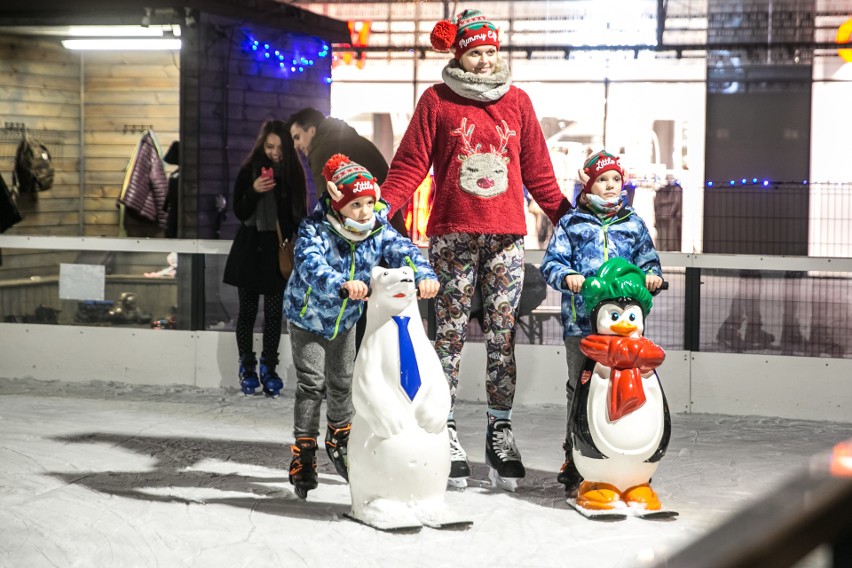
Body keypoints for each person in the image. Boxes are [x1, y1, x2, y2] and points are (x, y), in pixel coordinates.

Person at [377, 8, 571, 489]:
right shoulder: (437, 101)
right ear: (459, 52)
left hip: (506, 238)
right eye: (476, 52)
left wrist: (577, 220)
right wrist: (373, 210)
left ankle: (499, 431)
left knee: (503, 339)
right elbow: (409, 167)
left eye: (491, 52)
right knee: (449, 338)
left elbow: (541, 178)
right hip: (451, 237)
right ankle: (443, 428)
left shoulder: (518, 103)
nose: (485, 61)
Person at [283, 153, 439, 498]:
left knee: (342, 382)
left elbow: (405, 251)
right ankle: (304, 451)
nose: (365, 211)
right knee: (312, 383)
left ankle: (339, 435)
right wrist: (341, 283)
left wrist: (424, 275)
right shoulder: (315, 229)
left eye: (370, 202)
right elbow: (309, 264)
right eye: (356, 204)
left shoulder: (378, 229)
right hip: (308, 317)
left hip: (346, 320)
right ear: (338, 203)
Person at [539, 150, 663, 494]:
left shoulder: (632, 223)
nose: (610, 186)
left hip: (625, 324)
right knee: (580, 388)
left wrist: (652, 276)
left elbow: (648, 259)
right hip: (583, 324)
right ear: (589, 183)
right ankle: (575, 454)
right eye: (603, 180)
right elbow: (552, 263)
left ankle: (634, 454)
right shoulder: (573, 222)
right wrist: (569, 276)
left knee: (631, 383)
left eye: (616, 180)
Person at [223, 119, 307, 397]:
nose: (274, 152)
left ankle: (269, 368)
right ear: (262, 144)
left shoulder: (293, 172)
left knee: (273, 314)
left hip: (277, 250)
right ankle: (246, 367)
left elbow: (298, 214)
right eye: (270, 146)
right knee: (246, 313)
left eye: (280, 147)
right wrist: (254, 191)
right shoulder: (250, 169)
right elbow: (239, 210)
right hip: (249, 248)